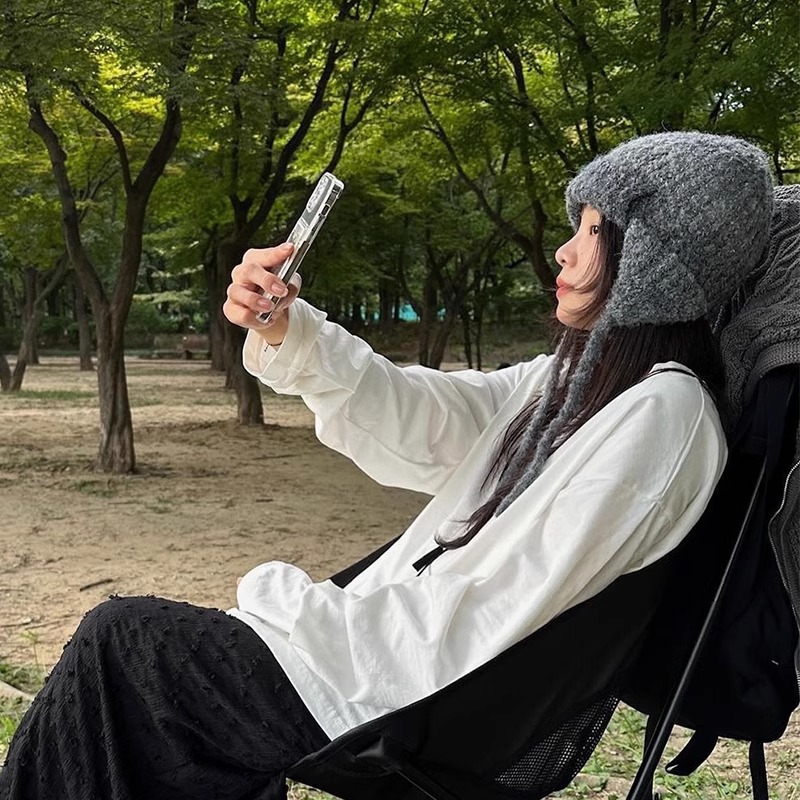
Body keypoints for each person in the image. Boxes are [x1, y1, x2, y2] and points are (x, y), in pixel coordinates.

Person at [0, 132, 775, 800]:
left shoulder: (663, 416)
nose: (566, 250)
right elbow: (426, 418)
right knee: (161, 705)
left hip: (418, 695)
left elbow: (502, 610)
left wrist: (312, 620)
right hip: (394, 670)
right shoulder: (575, 382)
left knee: (121, 642)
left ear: (656, 259)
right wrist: (288, 329)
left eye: (597, 230)